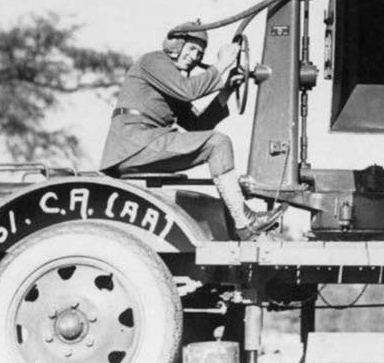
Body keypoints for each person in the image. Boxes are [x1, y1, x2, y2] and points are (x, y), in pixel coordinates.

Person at [101, 21, 275, 240]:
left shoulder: (171, 80)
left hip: (149, 143)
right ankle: (244, 220)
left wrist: (228, 89)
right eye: (192, 49)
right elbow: (187, 92)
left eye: (200, 53)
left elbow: (197, 125)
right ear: (176, 44)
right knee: (218, 142)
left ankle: (241, 220)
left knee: (214, 143)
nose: (195, 56)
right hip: (135, 143)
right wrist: (221, 65)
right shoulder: (154, 61)